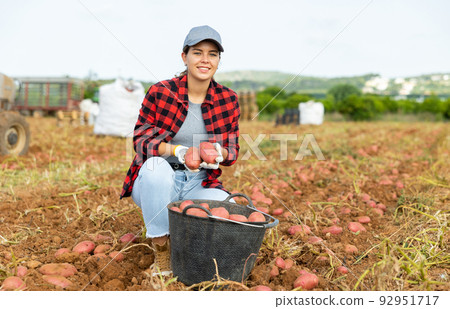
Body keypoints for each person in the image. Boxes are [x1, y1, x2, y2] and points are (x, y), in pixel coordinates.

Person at [120, 25, 240, 276]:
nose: (205, 59)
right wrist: (180, 151)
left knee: (229, 212)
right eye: (197, 52)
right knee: (154, 168)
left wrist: (218, 152)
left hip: (199, 183)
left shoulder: (228, 99)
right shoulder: (161, 92)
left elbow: (232, 149)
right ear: (184, 57)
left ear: (218, 61)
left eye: (213, 54)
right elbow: (141, 141)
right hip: (157, 182)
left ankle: (185, 237)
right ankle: (162, 250)